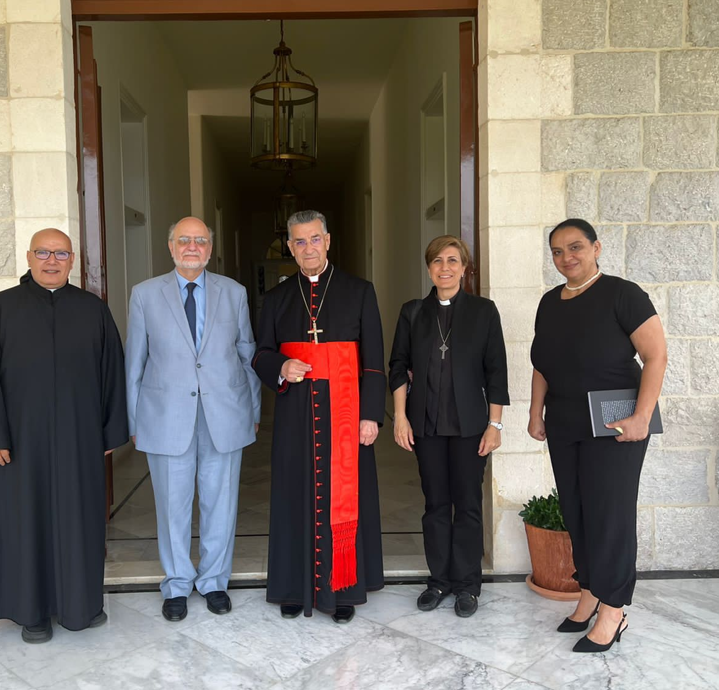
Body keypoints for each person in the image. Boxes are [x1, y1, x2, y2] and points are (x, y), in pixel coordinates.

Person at [0, 228, 128, 644]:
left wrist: (110, 432)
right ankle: (32, 614)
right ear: (29, 257)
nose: (51, 261)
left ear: (72, 260)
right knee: (24, 525)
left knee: (79, 524)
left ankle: (80, 606)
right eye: (43, 252)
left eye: (61, 253)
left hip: (79, 440)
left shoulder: (93, 310)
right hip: (18, 444)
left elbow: (112, 373)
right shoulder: (0, 308)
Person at [529, 219, 667, 653]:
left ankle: (614, 609)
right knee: (577, 511)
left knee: (610, 515)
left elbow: (656, 355)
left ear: (596, 248)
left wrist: (642, 416)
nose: (566, 257)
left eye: (575, 247)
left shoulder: (623, 294)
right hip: (565, 422)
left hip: (615, 423)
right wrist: (535, 413)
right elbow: (542, 364)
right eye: (557, 251)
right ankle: (589, 591)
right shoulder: (549, 302)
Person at [252, 210, 385, 623]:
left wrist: (371, 415)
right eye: (299, 241)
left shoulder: (359, 291)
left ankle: (343, 592)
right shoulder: (277, 298)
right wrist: (280, 366)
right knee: (293, 496)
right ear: (290, 248)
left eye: (314, 239)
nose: (307, 248)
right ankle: (293, 587)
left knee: (346, 499)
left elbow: (374, 361)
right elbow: (259, 353)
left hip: (346, 413)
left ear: (327, 241)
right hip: (295, 414)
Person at [126, 217, 261, 622]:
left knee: (222, 503)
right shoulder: (144, 294)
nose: (192, 247)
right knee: (172, 506)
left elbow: (247, 353)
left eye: (200, 241)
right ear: (170, 247)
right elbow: (134, 362)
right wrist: (134, 421)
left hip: (225, 414)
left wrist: (253, 411)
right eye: (184, 240)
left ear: (210, 248)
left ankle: (215, 581)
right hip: (165, 416)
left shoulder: (233, 292)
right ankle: (177, 584)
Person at [388, 235, 509, 618]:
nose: (445, 268)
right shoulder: (412, 312)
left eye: (453, 260)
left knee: (468, 505)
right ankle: (439, 581)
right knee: (436, 505)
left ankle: (468, 585)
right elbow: (397, 366)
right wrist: (400, 417)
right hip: (426, 426)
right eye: (437, 261)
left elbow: (496, 371)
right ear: (429, 268)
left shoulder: (484, 312)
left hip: (471, 426)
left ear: (464, 268)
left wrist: (495, 424)